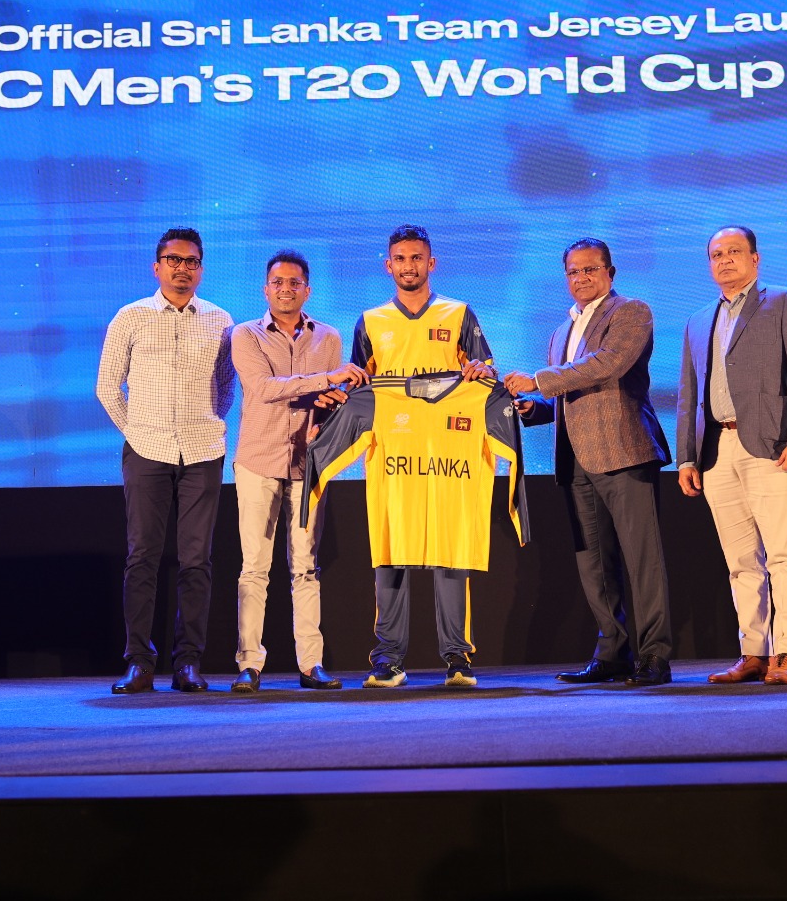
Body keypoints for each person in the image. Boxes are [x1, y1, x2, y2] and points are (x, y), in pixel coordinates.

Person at [503, 238, 675, 686]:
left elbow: (608, 365)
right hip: (575, 457)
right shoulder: (562, 330)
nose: (581, 278)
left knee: (641, 560)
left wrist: (538, 381)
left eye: (590, 269)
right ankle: (613, 653)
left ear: (609, 272)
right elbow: (571, 396)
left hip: (623, 451)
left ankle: (654, 656)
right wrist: (537, 408)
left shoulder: (631, 311)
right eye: (573, 272)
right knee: (593, 563)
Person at [348, 224, 495, 688]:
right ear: (387, 265)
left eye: (416, 258)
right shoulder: (371, 321)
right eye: (400, 258)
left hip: (449, 458)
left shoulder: (459, 313)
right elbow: (358, 389)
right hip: (394, 456)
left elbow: (486, 376)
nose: (408, 266)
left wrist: (482, 370)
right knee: (391, 552)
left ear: (431, 263)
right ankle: (388, 659)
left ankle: (458, 658)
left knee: (451, 551)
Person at [677, 225, 787, 686]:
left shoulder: (784, 301)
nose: (725, 260)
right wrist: (686, 458)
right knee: (740, 561)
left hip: (772, 446)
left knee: (783, 554)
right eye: (716, 254)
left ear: (755, 259)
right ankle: (753, 653)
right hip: (717, 451)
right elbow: (688, 395)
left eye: (734, 251)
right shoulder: (699, 320)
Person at [96, 228, 234, 694]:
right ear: (157, 267)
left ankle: (188, 662)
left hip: (202, 452)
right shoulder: (130, 316)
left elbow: (226, 385)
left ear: (201, 269)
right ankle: (139, 661)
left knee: (197, 560)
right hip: (147, 450)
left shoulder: (220, 320)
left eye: (191, 261)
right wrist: (136, 432)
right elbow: (107, 386)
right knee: (143, 558)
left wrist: (209, 422)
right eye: (173, 260)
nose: (182, 269)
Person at [227, 250, 368, 693]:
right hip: (258, 460)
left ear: (307, 290)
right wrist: (325, 381)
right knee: (254, 567)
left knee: (305, 567)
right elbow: (262, 389)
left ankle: (311, 664)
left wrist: (332, 399)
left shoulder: (327, 337)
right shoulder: (245, 335)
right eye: (278, 282)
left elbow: (330, 399)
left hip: (309, 462)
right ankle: (250, 664)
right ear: (265, 289)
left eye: (294, 283)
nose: (286, 289)